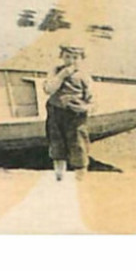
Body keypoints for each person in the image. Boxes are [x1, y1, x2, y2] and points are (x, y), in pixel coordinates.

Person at [43, 44, 93, 180]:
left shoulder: (84, 75)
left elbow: (90, 97)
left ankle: (80, 174)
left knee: (78, 142)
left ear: (82, 59)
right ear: (61, 57)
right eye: (67, 57)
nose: (71, 61)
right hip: (56, 111)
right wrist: (62, 76)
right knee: (56, 141)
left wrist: (84, 107)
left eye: (75, 57)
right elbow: (48, 89)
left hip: (75, 114)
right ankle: (59, 174)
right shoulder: (55, 71)